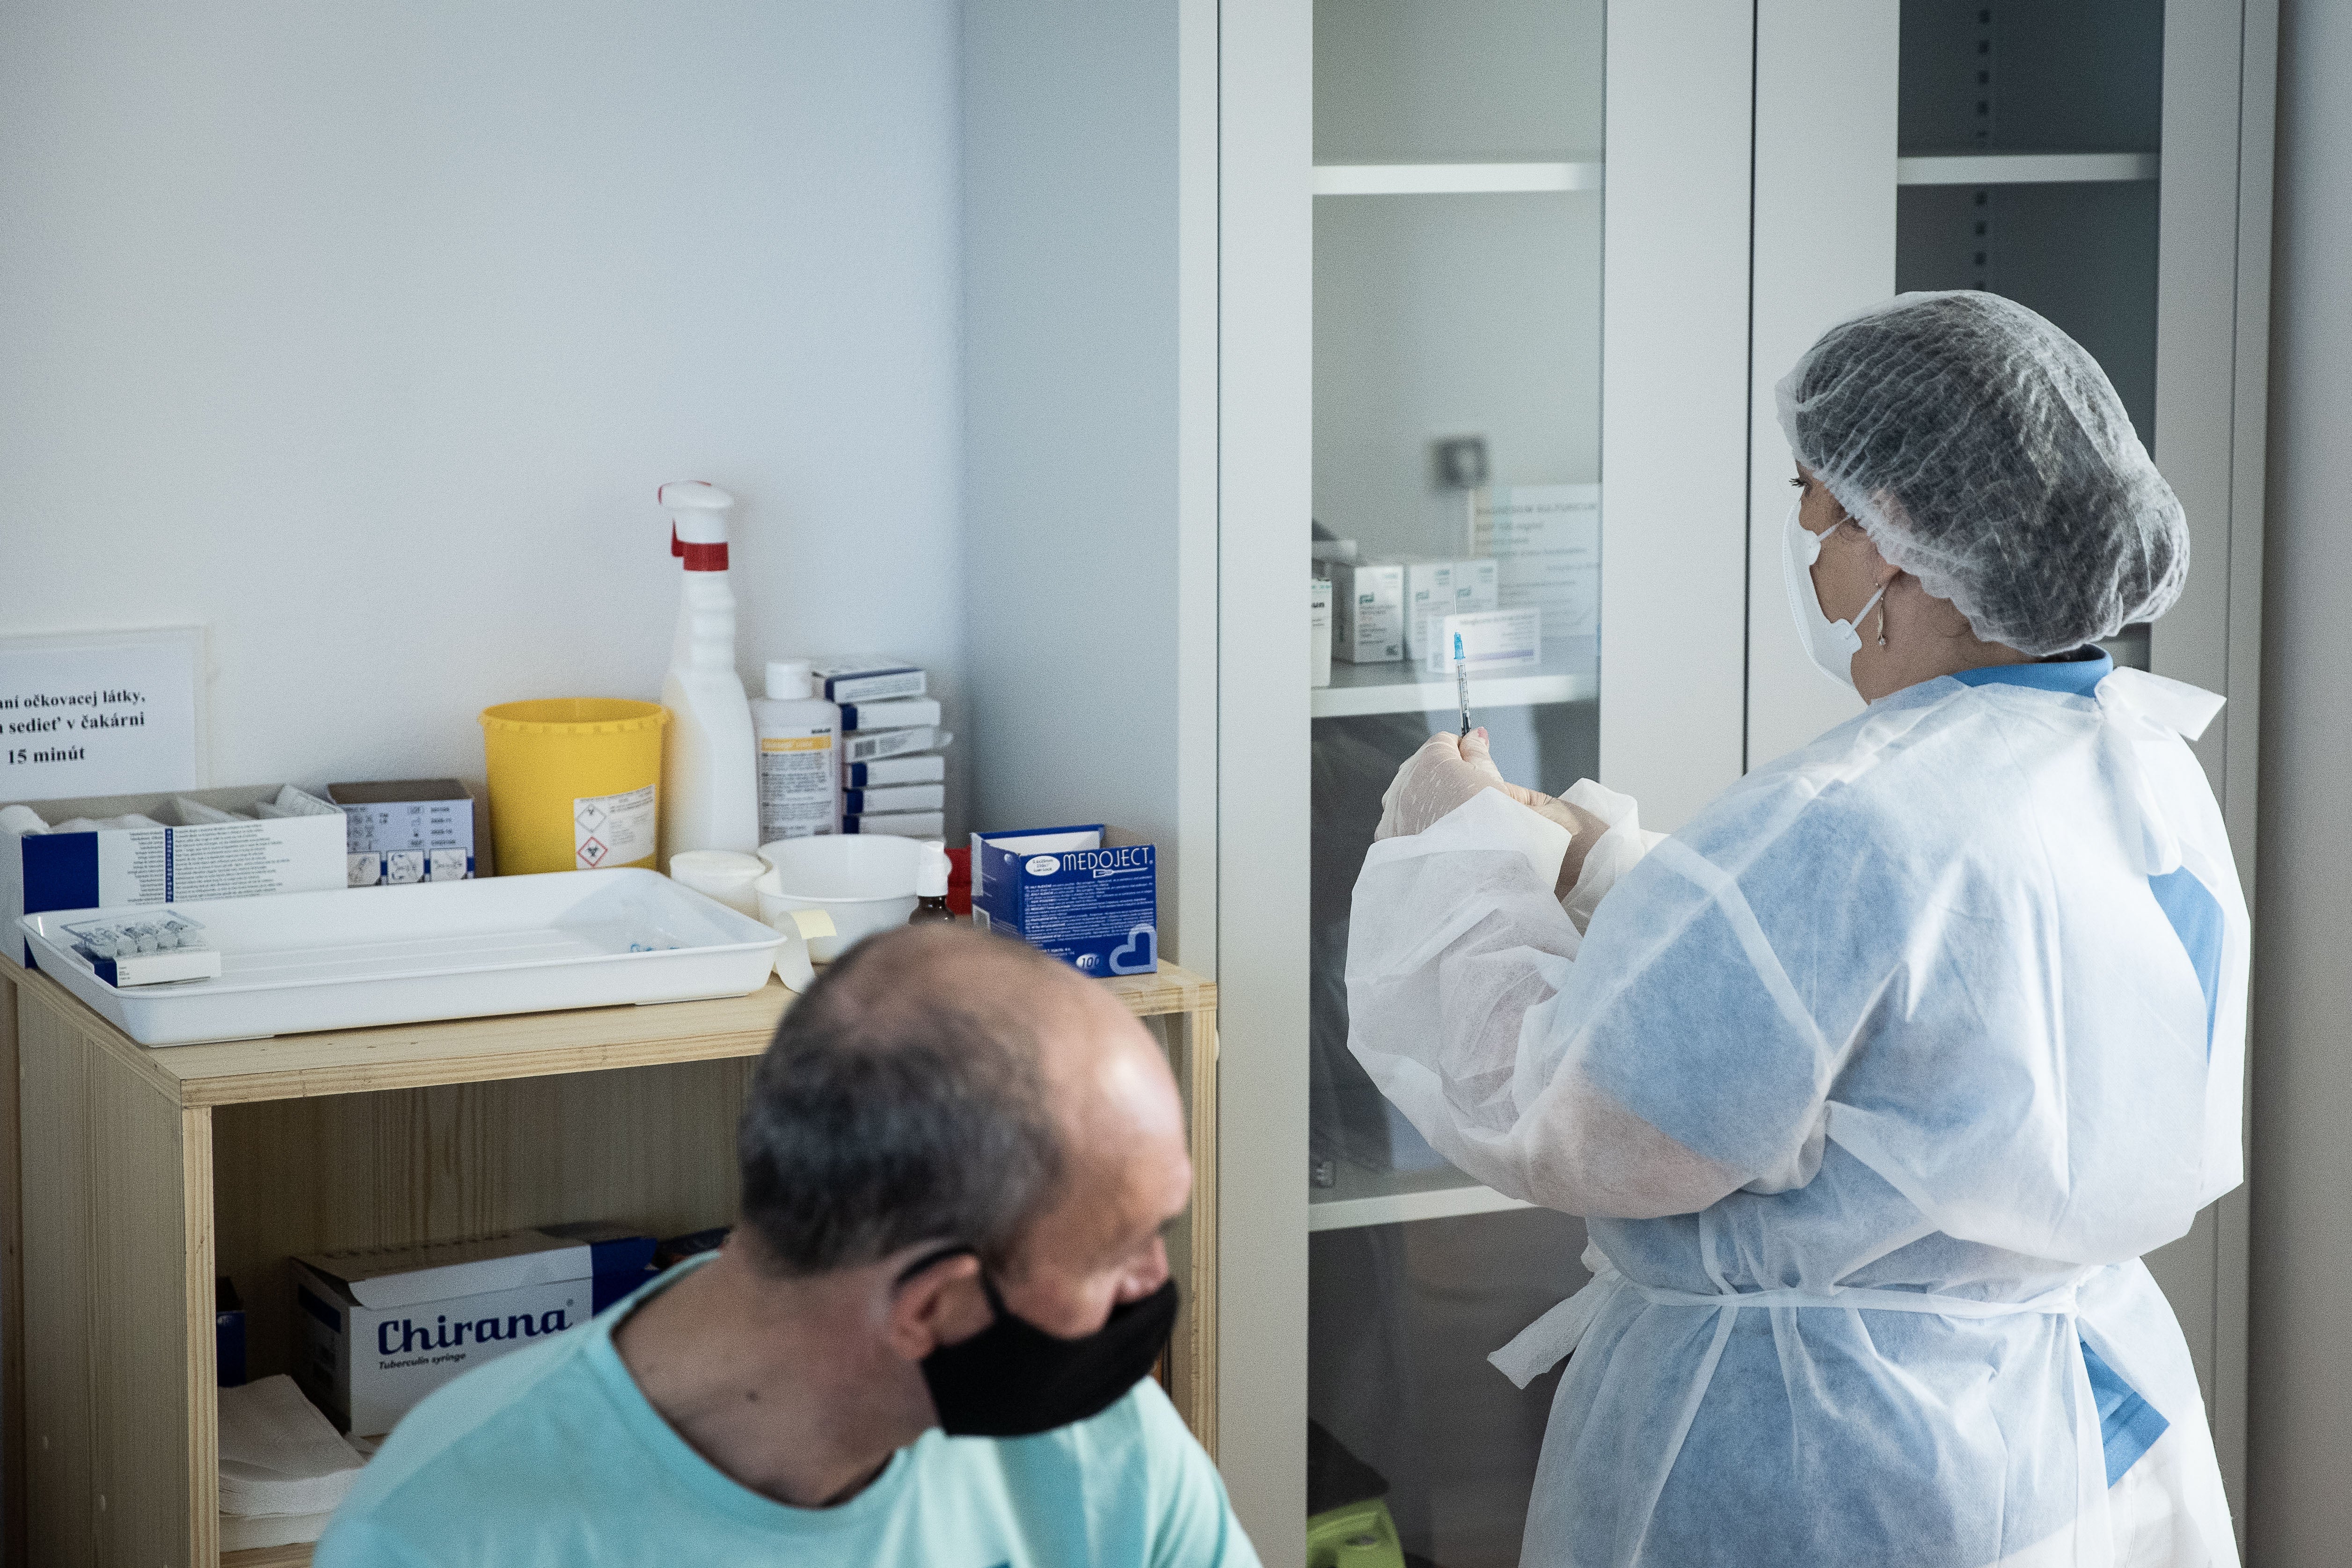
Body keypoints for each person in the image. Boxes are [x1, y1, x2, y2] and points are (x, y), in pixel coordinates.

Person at [1348, 291, 2245, 1568]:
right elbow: (1911, 1013)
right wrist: (1604, 866)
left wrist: (1460, 856)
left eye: (1815, 500)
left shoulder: (1839, 818)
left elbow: (1584, 1127)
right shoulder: (2140, 768)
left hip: (1832, 1462)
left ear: (1901, 539)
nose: (1807, 543)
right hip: (2060, 1442)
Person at [316, 924, 1257, 1568]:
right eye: (1120, 1249)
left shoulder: (1101, 1444)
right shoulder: (439, 1535)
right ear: (931, 1306)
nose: (1153, 1281)